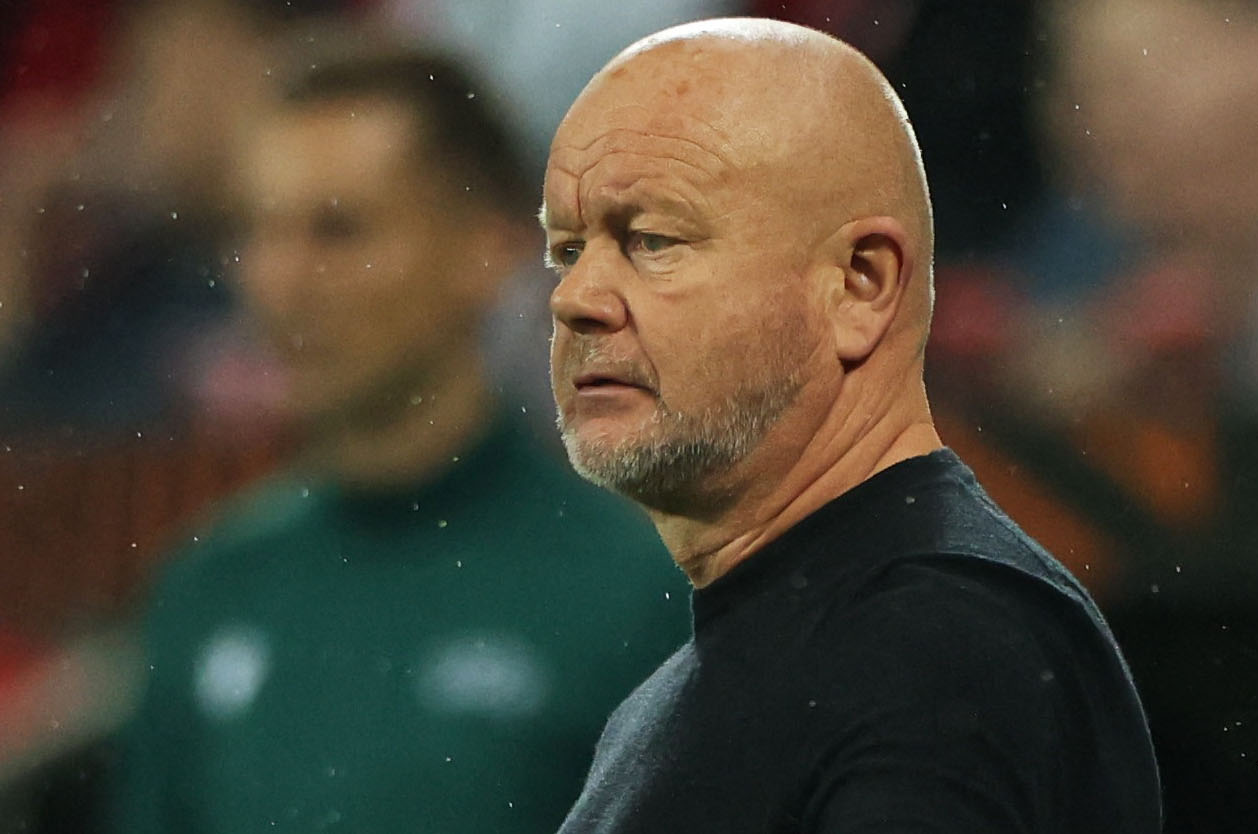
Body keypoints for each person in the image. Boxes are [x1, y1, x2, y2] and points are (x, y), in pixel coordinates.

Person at [540, 17, 1162, 833]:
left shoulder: (933, 645)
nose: (575, 298)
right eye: (566, 250)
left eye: (652, 240)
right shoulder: (724, 679)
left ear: (860, 286)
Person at [109, 38, 688, 834]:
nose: (277, 281)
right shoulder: (209, 588)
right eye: (257, 231)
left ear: (486, 249)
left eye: (337, 230)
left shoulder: (633, 596)